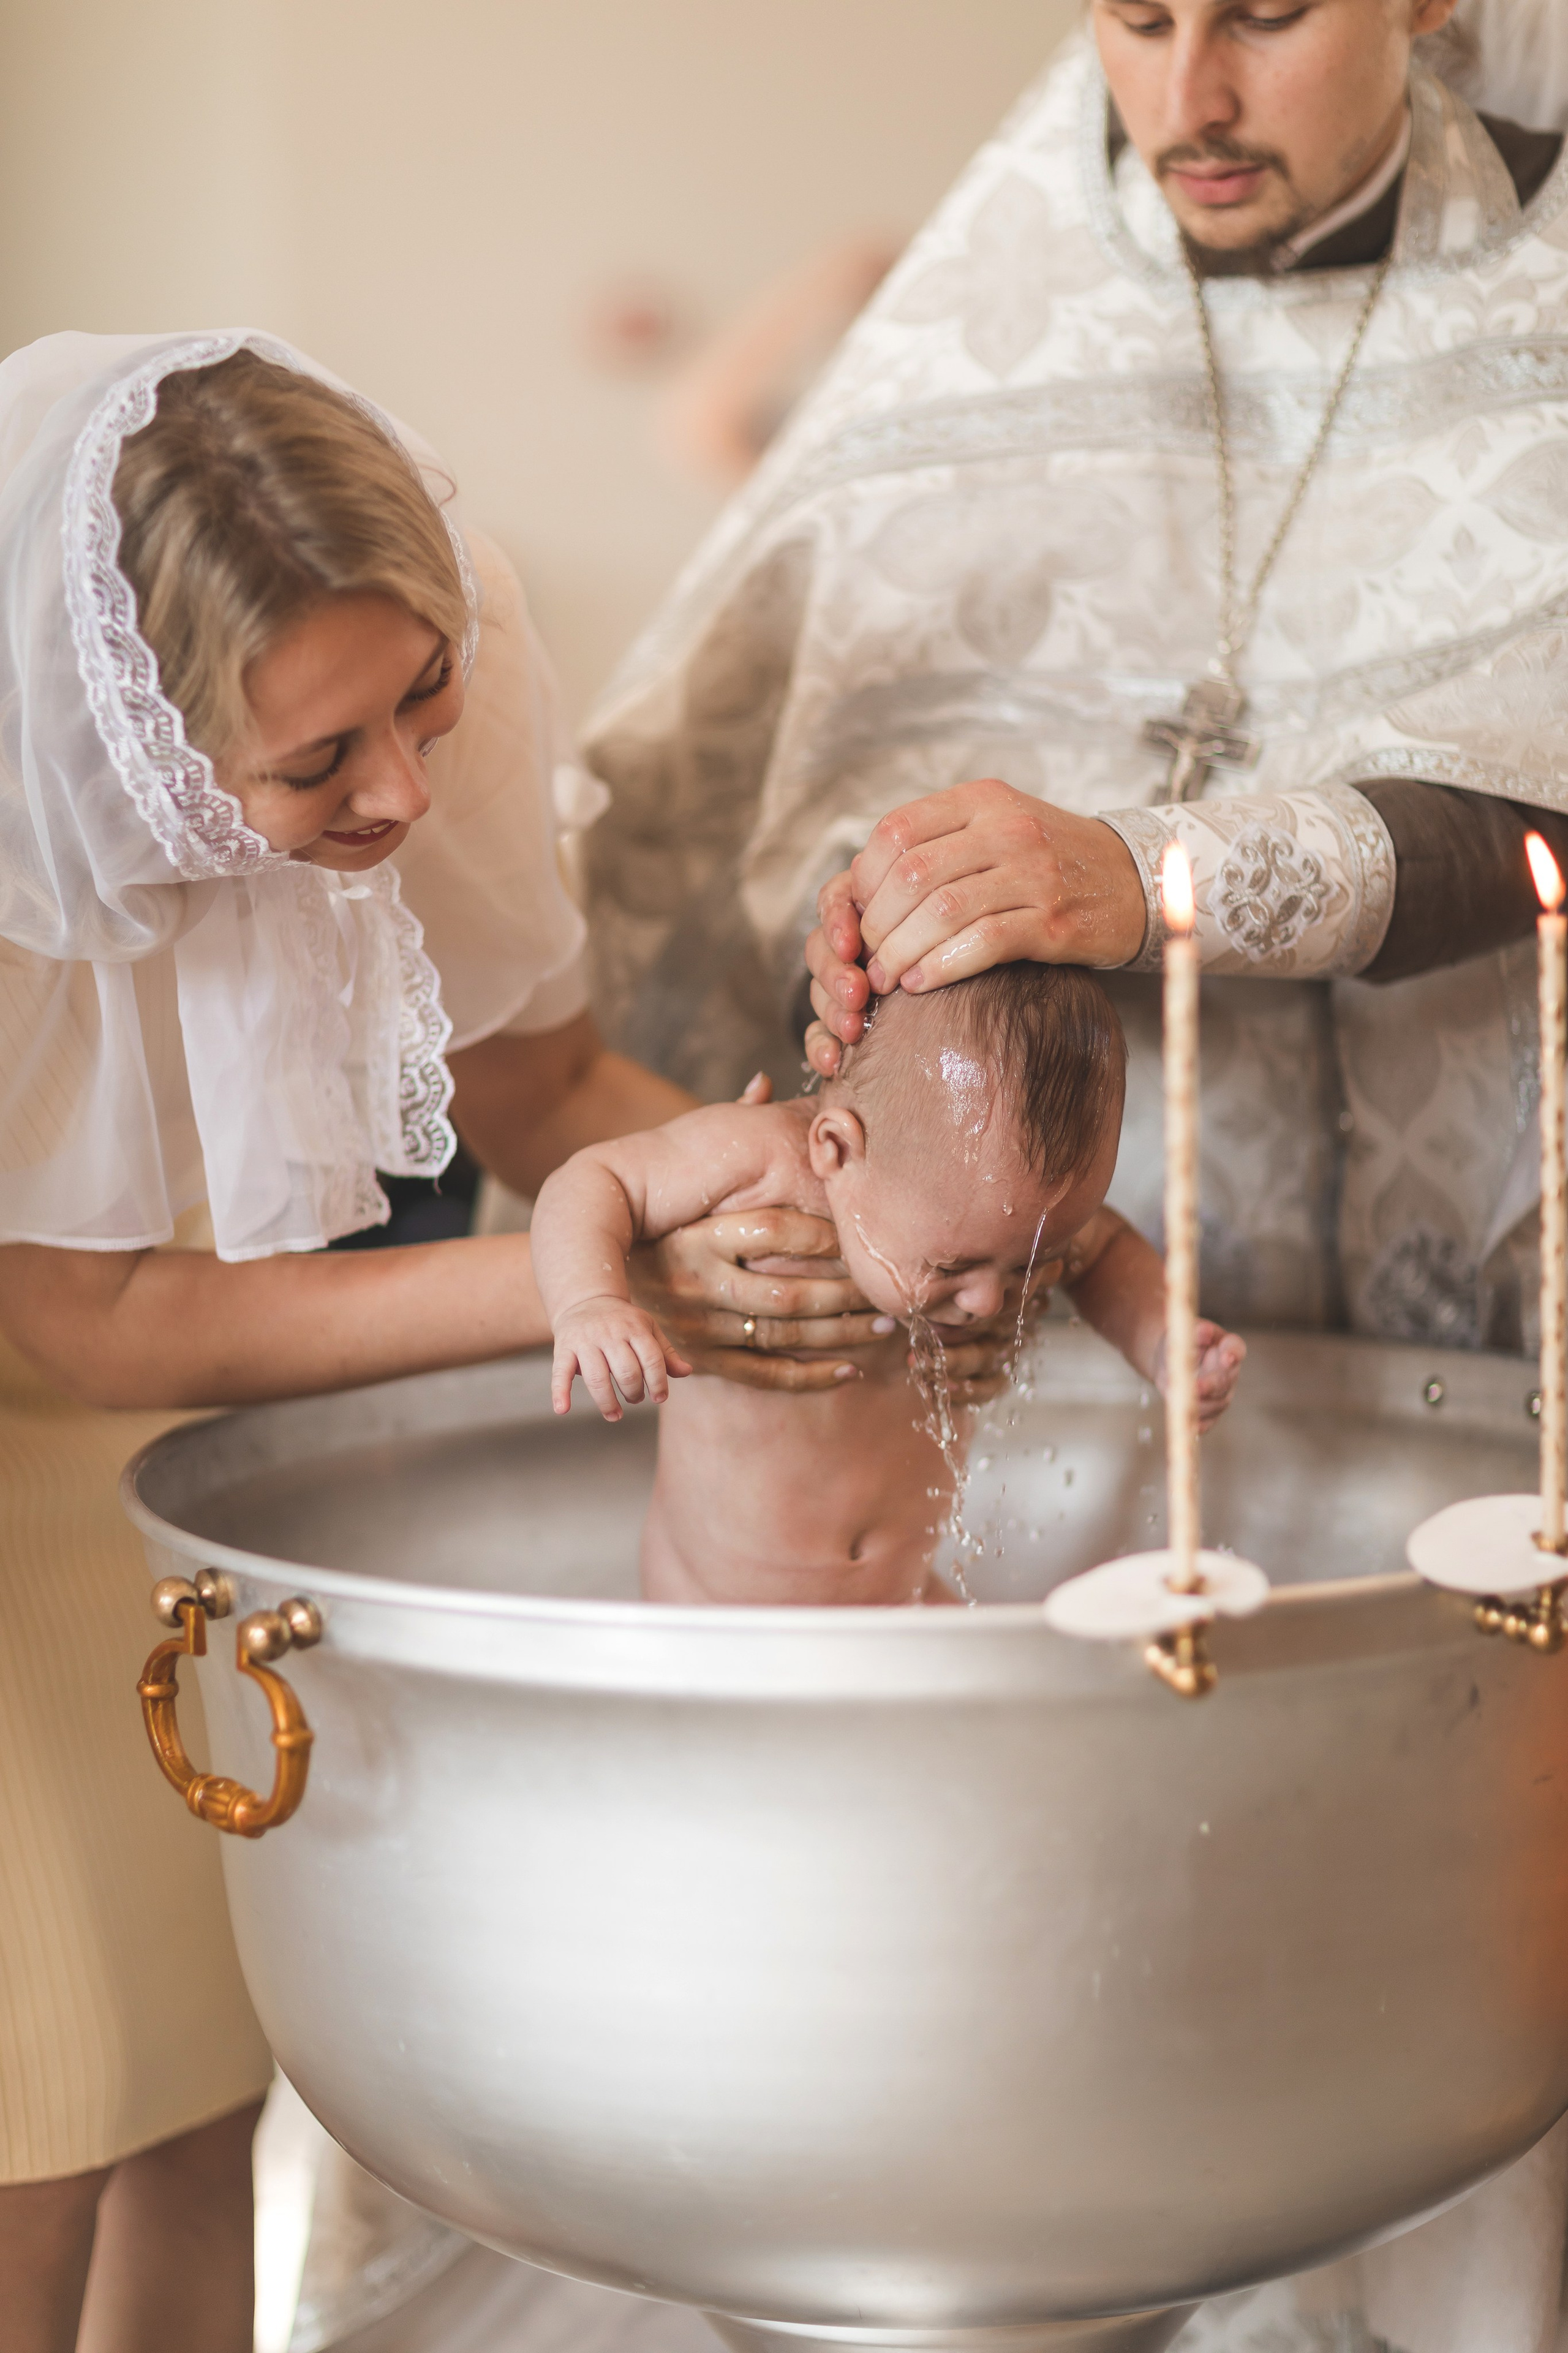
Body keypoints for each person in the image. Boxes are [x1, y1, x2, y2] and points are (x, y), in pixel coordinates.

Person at [573, 1, 1568, 2346]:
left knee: (1427, 2046)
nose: (1184, 98)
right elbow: (725, 809)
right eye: (1130, 19)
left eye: (1261, 14)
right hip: (1085, 1350)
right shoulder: (996, 299)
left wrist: (1157, 872)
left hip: (1470, 1329)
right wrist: (867, 936)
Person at [0, 328, 910, 2353]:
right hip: (53, 1400)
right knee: (36, 2112)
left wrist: (815, 1204)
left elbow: (549, 1080)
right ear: (124, 739)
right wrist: (592, 1282)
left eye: (419, 704)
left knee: (200, 2082)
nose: (403, 789)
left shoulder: (413, 662)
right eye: (319, 764)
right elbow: (93, 1316)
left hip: (163, 1453)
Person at [536, 965, 1245, 1606]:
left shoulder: (988, 1217)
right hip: (719, 1624)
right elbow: (591, 1180)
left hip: (899, 1602)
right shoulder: (755, 1164)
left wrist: (1161, 1343)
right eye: (951, 1267)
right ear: (837, 1151)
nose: (988, 1302)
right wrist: (590, 1300)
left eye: (1027, 1265)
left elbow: (1105, 1247)